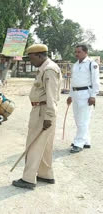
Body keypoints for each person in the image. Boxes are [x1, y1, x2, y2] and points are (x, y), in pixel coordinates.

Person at [12, 44, 62, 189]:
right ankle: (45, 175)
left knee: (33, 144)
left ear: (40, 55)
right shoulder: (46, 68)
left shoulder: (49, 70)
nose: (30, 61)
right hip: (43, 110)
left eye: (31, 57)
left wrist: (48, 116)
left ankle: (28, 179)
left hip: (43, 111)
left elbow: (52, 96)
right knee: (45, 145)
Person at [67, 44, 100, 153]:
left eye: (79, 52)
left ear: (86, 52)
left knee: (83, 120)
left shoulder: (92, 64)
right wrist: (70, 95)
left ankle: (78, 143)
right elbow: (73, 81)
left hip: (86, 94)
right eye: (75, 52)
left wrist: (93, 96)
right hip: (76, 93)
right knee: (78, 119)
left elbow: (95, 81)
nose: (76, 54)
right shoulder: (75, 65)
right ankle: (86, 141)